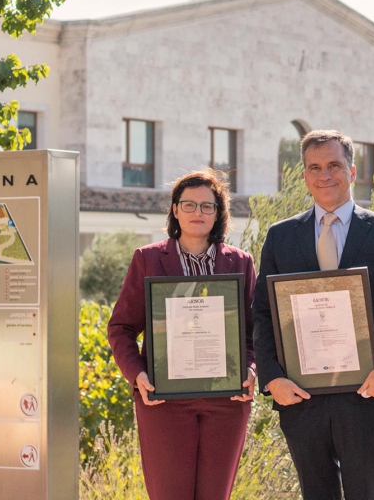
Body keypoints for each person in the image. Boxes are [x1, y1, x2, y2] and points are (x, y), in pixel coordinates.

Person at [252, 130, 374, 500]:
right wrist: (272, 378)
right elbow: (263, 315)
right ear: (304, 176)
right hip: (300, 396)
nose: (325, 175)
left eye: (335, 165)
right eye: (315, 167)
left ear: (353, 172)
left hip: (369, 393)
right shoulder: (280, 236)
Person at [107, 169, 257, 500]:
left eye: (207, 206)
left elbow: (253, 330)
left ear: (219, 213)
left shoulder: (240, 263)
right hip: (164, 401)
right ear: (175, 209)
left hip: (227, 400)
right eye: (189, 205)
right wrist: (138, 374)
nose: (198, 213)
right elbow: (121, 328)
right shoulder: (147, 259)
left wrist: (250, 369)